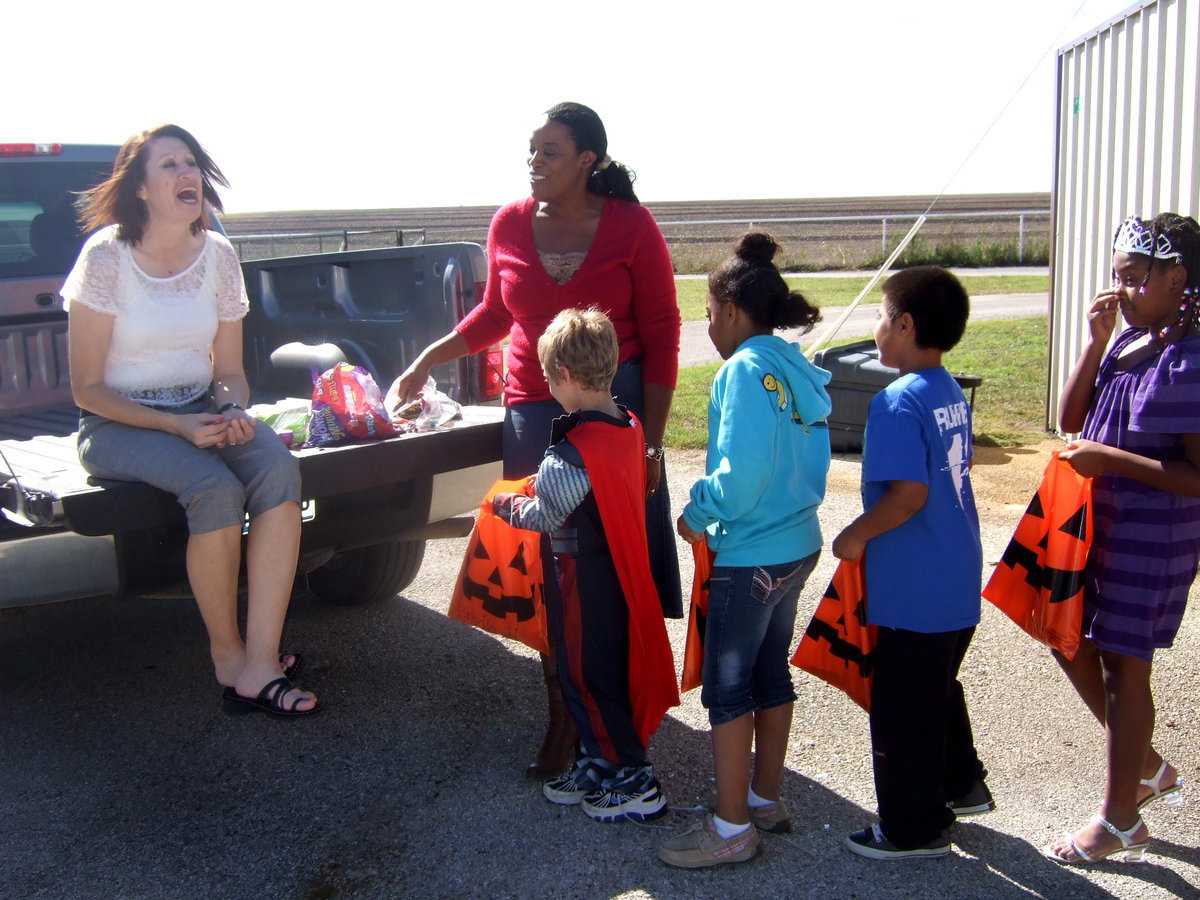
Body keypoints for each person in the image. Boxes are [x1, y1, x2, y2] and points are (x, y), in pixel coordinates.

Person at [395, 101, 682, 777]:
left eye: (550, 152)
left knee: (611, 566)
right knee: (553, 565)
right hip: (534, 405)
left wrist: (651, 443)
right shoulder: (509, 224)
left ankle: (621, 707)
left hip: (621, 405)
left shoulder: (631, 226)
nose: (535, 163)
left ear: (588, 161)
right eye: (531, 150)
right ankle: (563, 715)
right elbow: (496, 312)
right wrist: (426, 360)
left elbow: (665, 329)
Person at [63, 124, 317, 717]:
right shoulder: (106, 257)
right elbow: (87, 388)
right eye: (169, 165)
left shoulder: (219, 256)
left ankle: (261, 658)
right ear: (143, 190)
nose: (187, 174)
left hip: (201, 409)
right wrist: (176, 426)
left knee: (278, 470)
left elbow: (228, 370)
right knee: (214, 487)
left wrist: (230, 409)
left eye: (191, 163)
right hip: (116, 424)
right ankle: (230, 659)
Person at [658, 233, 830, 868]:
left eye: (707, 313)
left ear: (730, 310)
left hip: (749, 551)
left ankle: (731, 829)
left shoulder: (742, 370)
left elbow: (742, 475)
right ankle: (763, 798)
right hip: (795, 546)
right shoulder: (791, 367)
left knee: (728, 690)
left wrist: (697, 512)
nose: (707, 326)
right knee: (768, 672)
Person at [1044, 213, 1200, 864]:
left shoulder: (1190, 358)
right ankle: (1146, 767)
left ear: (1178, 276)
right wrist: (1094, 340)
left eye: (1134, 279)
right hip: (1104, 526)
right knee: (1066, 637)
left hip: (1155, 536)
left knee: (1124, 671)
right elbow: (1070, 419)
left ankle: (1120, 820)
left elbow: (1195, 476)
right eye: (1117, 278)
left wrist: (1110, 462)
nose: (1121, 290)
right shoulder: (1132, 341)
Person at [492, 308, 679, 822]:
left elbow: (546, 514)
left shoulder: (568, 454)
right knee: (609, 672)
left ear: (566, 377)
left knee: (587, 676)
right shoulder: (630, 424)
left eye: (550, 378)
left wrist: (504, 505)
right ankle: (596, 760)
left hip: (583, 584)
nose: (550, 386)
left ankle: (634, 778)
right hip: (622, 578)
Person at [831, 265, 991, 860]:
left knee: (902, 709)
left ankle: (911, 827)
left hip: (914, 586)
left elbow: (908, 495)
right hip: (955, 575)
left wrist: (854, 533)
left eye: (879, 314)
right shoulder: (947, 388)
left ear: (903, 324)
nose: (875, 325)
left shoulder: (896, 401)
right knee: (936, 689)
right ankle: (961, 784)